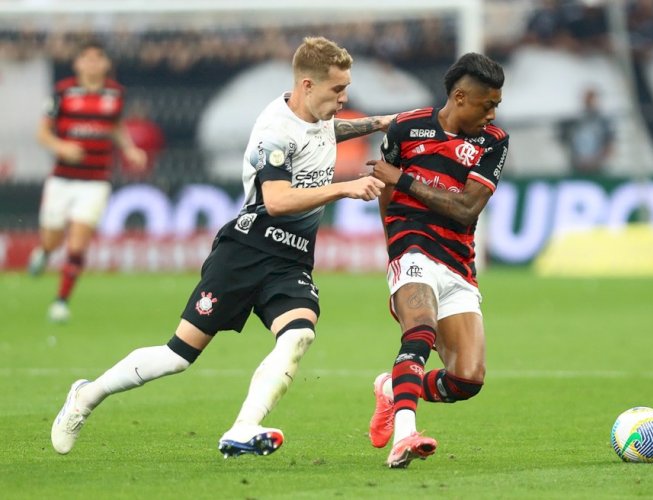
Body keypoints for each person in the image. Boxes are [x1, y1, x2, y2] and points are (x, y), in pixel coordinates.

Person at [50, 36, 391, 458]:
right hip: (245, 251)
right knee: (178, 356)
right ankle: (85, 396)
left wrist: (378, 122)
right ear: (306, 85)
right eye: (337, 90)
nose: (344, 98)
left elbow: (325, 131)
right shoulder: (274, 131)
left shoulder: (313, 115)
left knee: (299, 334)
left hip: (290, 259)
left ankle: (243, 428)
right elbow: (278, 201)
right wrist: (345, 188)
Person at [366, 52, 509, 468]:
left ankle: (393, 389)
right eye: (488, 104)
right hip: (412, 249)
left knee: (467, 379)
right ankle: (405, 436)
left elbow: (466, 209)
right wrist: (395, 244)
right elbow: (386, 195)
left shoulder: (492, 142)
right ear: (461, 97)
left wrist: (406, 179)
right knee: (420, 331)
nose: (494, 113)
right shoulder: (406, 128)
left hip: (458, 262)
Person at [28, 40, 148, 322]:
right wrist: (62, 147)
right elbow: (42, 133)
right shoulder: (63, 92)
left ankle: (61, 301)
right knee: (52, 239)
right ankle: (44, 253)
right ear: (78, 63)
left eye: (98, 58)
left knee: (78, 243)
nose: (93, 63)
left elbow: (115, 127)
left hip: (96, 180)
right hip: (62, 179)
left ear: (106, 64)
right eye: (87, 58)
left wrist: (129, 148)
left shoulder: (116, 94)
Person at [558, 87, 614, 174]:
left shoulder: (602, 121)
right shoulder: (575, 120)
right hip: (578, 165)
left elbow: (609, 143)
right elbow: (565, 139)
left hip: (597, 167)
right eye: (587, 99)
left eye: (591, 99)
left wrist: (597, 160)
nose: (589, 102)